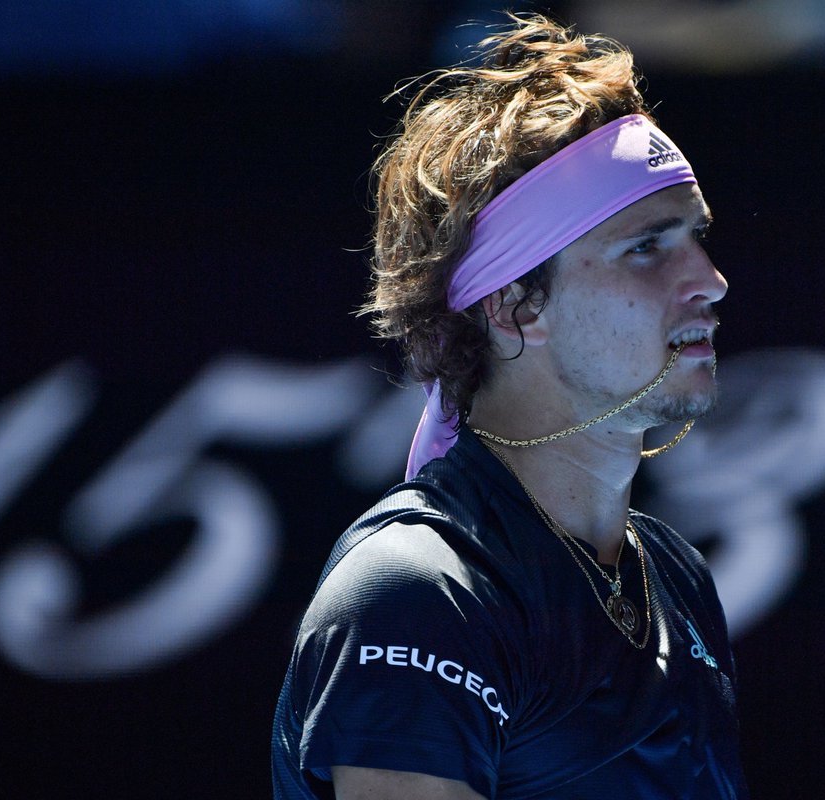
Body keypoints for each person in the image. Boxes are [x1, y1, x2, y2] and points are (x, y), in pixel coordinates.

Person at [272, 14, 747, 799]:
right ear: (516, 305)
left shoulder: (678, 578)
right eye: (646, 248)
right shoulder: (418, 592)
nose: (710, 280)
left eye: (696, 238)